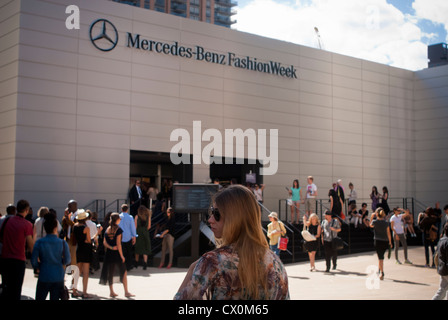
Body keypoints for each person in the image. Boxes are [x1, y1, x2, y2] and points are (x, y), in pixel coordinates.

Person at [174, 185, 289, 300]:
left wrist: (191, 270)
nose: (210, 219)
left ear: (234, 218)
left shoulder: (212, 262)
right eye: (211, 212)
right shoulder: (276, 264)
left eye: (217, 214)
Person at [31, 213, 71, 300]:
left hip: (44, 274)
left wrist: (38, 267)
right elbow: (67, 260)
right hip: (58, 276)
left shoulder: (39, 242)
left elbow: (34, 260)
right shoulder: (63, 243)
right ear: (55, 228)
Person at [0, 200, 34, 300]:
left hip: (5, 258)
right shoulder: (27, 224)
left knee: (6, 287)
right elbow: (30, 244)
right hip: (19, 260)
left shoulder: (6, 221)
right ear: (27, 210)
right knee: (16, 289)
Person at [99, 212, 134, 298]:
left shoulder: (107, 229)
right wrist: (122, 256)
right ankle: (126, 292)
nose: (120, 220)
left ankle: (111, 292)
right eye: (119, 219)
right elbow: (119, 244)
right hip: (117, 254)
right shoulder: (118, 230)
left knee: (110, 273)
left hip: (109, 254)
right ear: (117, 220)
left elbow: (104, 242)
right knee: (124, 272)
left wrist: (111, 247)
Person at [72, 209, 92, 298]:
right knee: (86, 273)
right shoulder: (86, 228)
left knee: (77, 271)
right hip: (86, 250)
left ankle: (74, 290)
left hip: (79, 249)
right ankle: (84, 292)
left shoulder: (75, 227)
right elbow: (88, 240)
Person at [370, 208, 392, 280]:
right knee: (381, 257)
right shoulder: (386, 223)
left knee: (380, 258)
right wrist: (390, 242)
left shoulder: (375, 222)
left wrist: (372, 217)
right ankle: (380, 270)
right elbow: (388, 233)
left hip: (378, 241)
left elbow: (370, 225)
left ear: (377, 214)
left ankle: (381, 272)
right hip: (385, 241)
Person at [119, 204, 137, 271]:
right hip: (128, 236)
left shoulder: (119, 217)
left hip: (120, 236)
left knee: (121, 252)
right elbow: (133, 227)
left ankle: (121, 265)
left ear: (121, 209)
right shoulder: (130, 217)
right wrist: (134, 236)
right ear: (127, 209)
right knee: (129, 252)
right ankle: (128, 266)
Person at [432, 224, 448, 300]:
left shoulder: (441, 240)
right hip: (446, 269)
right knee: (442, 290)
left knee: (442, 290)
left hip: (442, 269)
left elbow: (436, 255)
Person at [134, 205, 152, 270]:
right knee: (145, 248)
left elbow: (135, 226)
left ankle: (136, 263)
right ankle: (145, 264)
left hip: (138, 233)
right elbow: (149, 227)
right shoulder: (148, 217)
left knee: (137, 248)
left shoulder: (136, 216)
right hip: (145, 233)